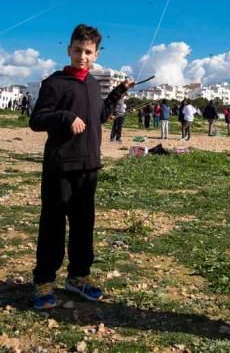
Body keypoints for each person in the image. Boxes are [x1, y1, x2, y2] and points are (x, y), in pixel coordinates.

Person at [29, 24, 134, 311]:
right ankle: (44, 280)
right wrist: (65, 117)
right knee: (52, 224)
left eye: (88, 52)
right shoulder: (54, 82)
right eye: (77, 51)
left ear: (96, 54)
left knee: (83, 223)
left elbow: (98, 116)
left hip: (89, 165)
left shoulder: (92, 84)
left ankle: (78, 277)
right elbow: (37, 120)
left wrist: (118, 93)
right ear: (69, 50)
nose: (82, 57)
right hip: (60, 166)